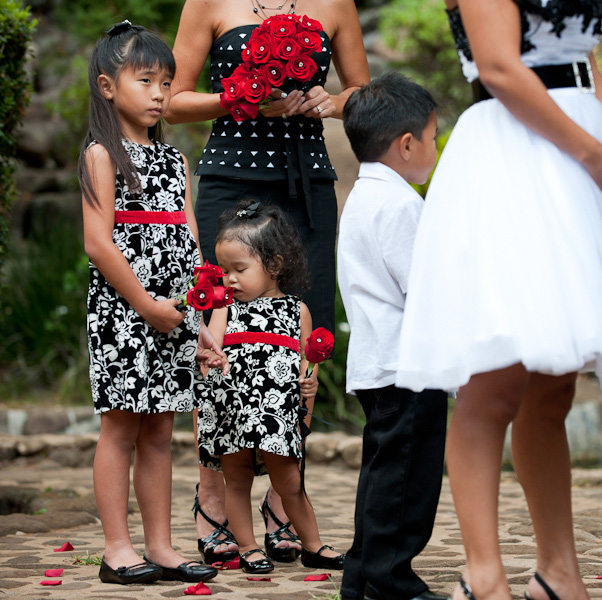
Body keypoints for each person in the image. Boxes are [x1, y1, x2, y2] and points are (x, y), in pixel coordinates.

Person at [394, 2, 602, 600]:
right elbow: (499, 66)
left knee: (554, 384)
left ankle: (558, 572)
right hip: (518, 154)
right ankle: (482, 575)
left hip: (581, 152)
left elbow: (583, 57)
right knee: (493, 382)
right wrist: (595, 153)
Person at [166, 0, 368, 564]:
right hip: (229, 179)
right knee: (217, 335)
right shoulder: (206, 2)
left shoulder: (335, 4)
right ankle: (212, 495)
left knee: (301, 336)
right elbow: (175, 102)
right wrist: (247, 99)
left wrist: (330, 103)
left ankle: (285, 498)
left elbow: (361, 92)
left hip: (307, 187)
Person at [77, 21, 218, 585]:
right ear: (109, 87)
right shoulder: (101, 155)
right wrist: (146, 305)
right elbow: (97, 243)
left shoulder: (174, 159)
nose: (160, 94)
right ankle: (117, 548)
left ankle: (159, 545)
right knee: (121, 428)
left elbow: (192, 242)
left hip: (175, 312)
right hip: (124, 312)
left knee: (161, 429)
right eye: (146, 81)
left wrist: (201, 315)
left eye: (167, 83)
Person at [337, 73, 448, 600]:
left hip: (379, 360)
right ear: (407, 144)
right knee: (408, 479)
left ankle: (362, 574)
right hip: (408, 362)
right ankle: (389, 577)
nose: (434, 148)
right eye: (432, 136)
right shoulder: (402, 205)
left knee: (382, 474)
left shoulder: (363, 196)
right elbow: (424, 288)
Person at [196, 199, 342, 574]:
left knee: (290, 480)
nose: (229, 278)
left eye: (239, 269)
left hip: (276, 415)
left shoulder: (297, 311)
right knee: (237, 481)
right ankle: (247, 547)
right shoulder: (226, 309)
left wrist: (307, 388)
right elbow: (211, 350)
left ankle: (312, 544)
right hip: (234, 413)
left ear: (274, 265)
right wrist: (212, 358)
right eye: (224, 270)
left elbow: (307, 363)